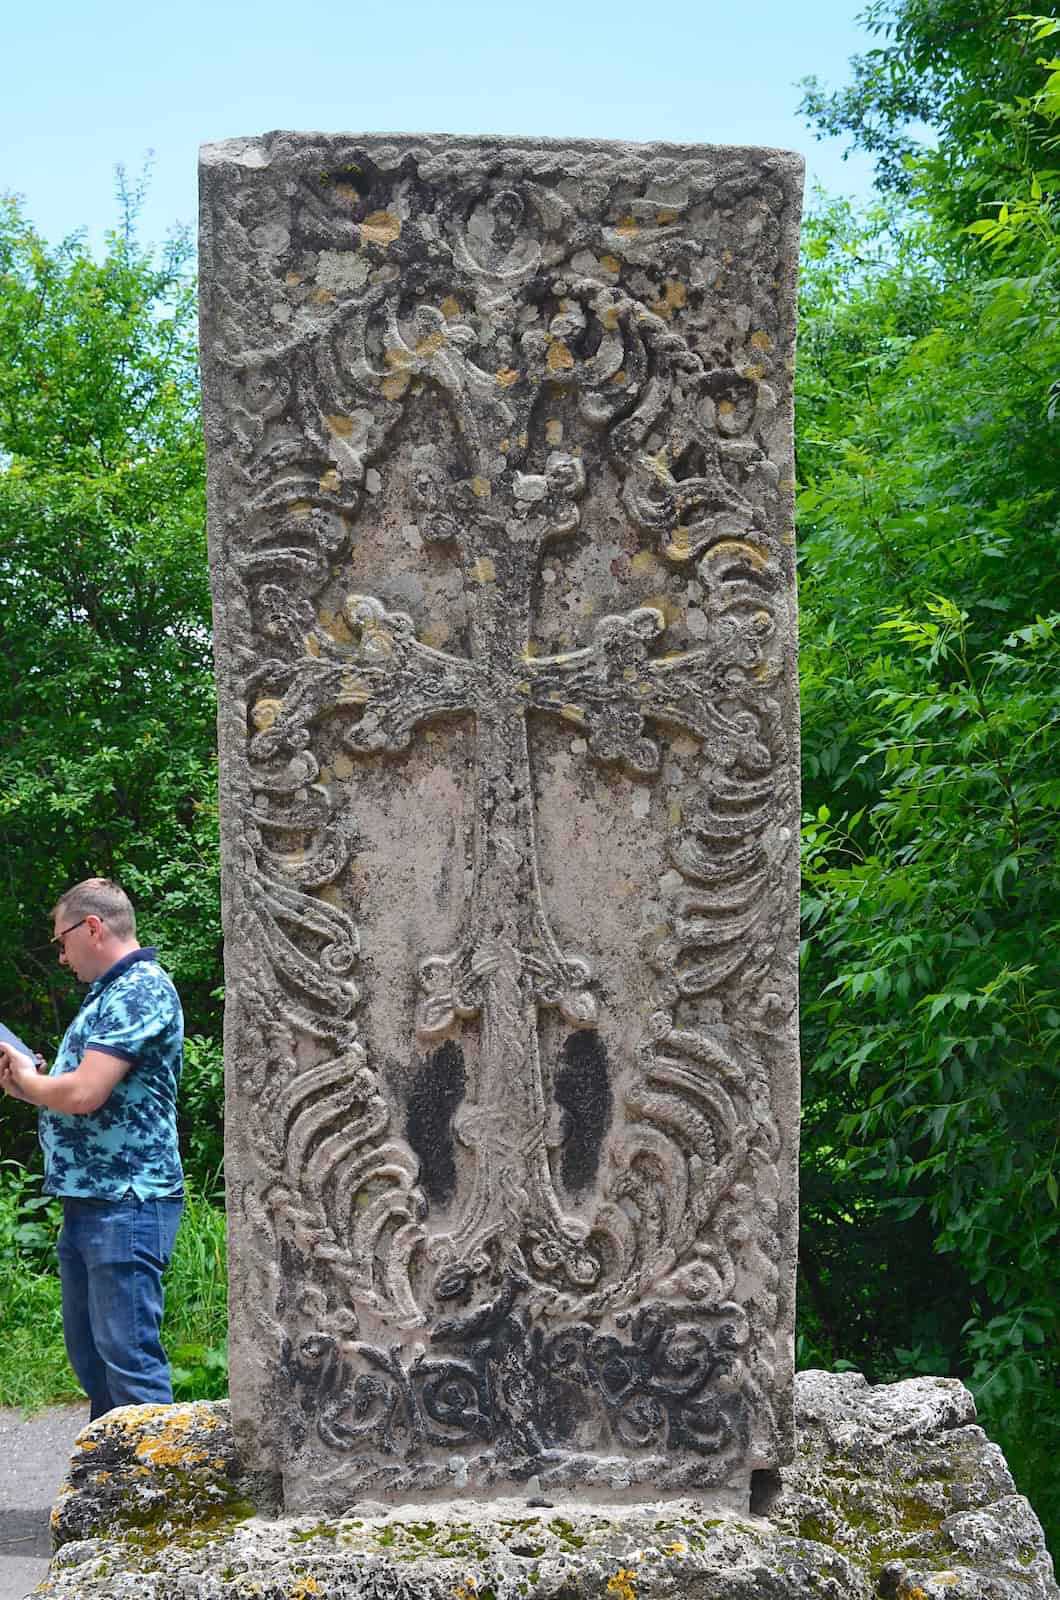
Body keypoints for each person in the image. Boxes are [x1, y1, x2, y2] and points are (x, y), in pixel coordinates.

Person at [0, 878, 185, 1420]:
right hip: (92, 1201)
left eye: (61, 941)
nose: (61, 956)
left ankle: (160, 1496)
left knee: (129, 1363)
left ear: (94, 928)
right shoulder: (108, 994)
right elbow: (75, 1087)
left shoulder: (141, 988)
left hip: (127, 1200)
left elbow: (83, 1092)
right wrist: (27, 1077)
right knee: (94, 1362)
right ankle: (110, 1491)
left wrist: (29, 1083)